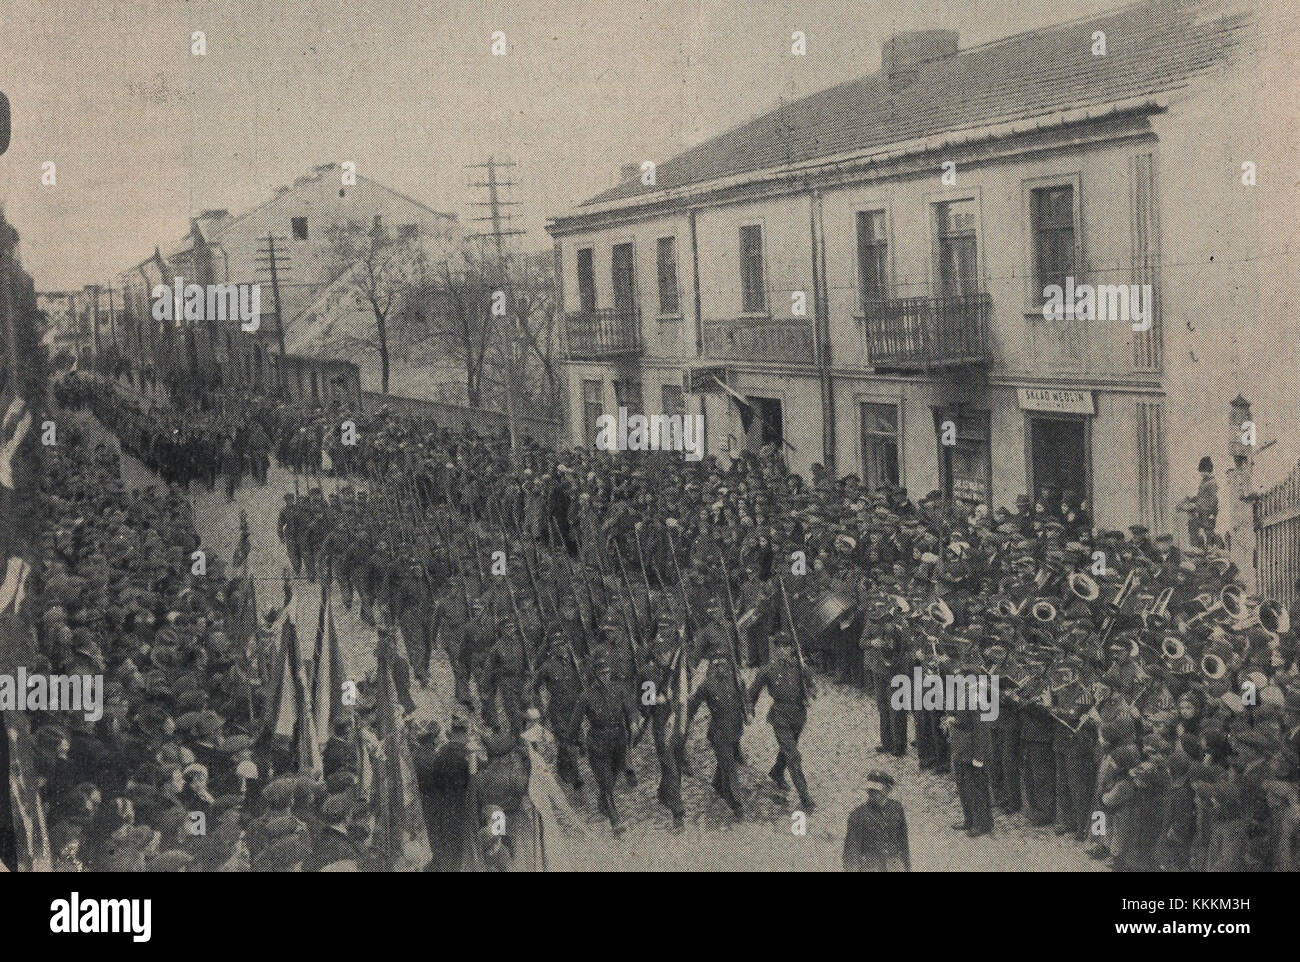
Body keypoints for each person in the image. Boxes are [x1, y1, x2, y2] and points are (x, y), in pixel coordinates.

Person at [747, 630, 817, 812]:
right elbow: (752, 693)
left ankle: (777, 772)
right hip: (780, 716)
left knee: (788, 748)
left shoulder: (801, 668)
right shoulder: (768, 670)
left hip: (799, 715)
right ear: (775, 649)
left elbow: (812, 687)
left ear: (792, 648)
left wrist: (810, 694)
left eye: (787, 647)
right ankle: (805, 797)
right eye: (779, 647)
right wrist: (749, 710)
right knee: (793, 755)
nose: (783, 651)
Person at [843, 770, 910, 871]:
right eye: (870, 790)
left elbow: (903, 842)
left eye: (876, 790)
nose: (871, 793)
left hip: (894, 867)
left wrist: (907, 867)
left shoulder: (897, 808)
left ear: (888, 790)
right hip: (870, 867)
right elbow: (851, 853)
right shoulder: (858, 815)